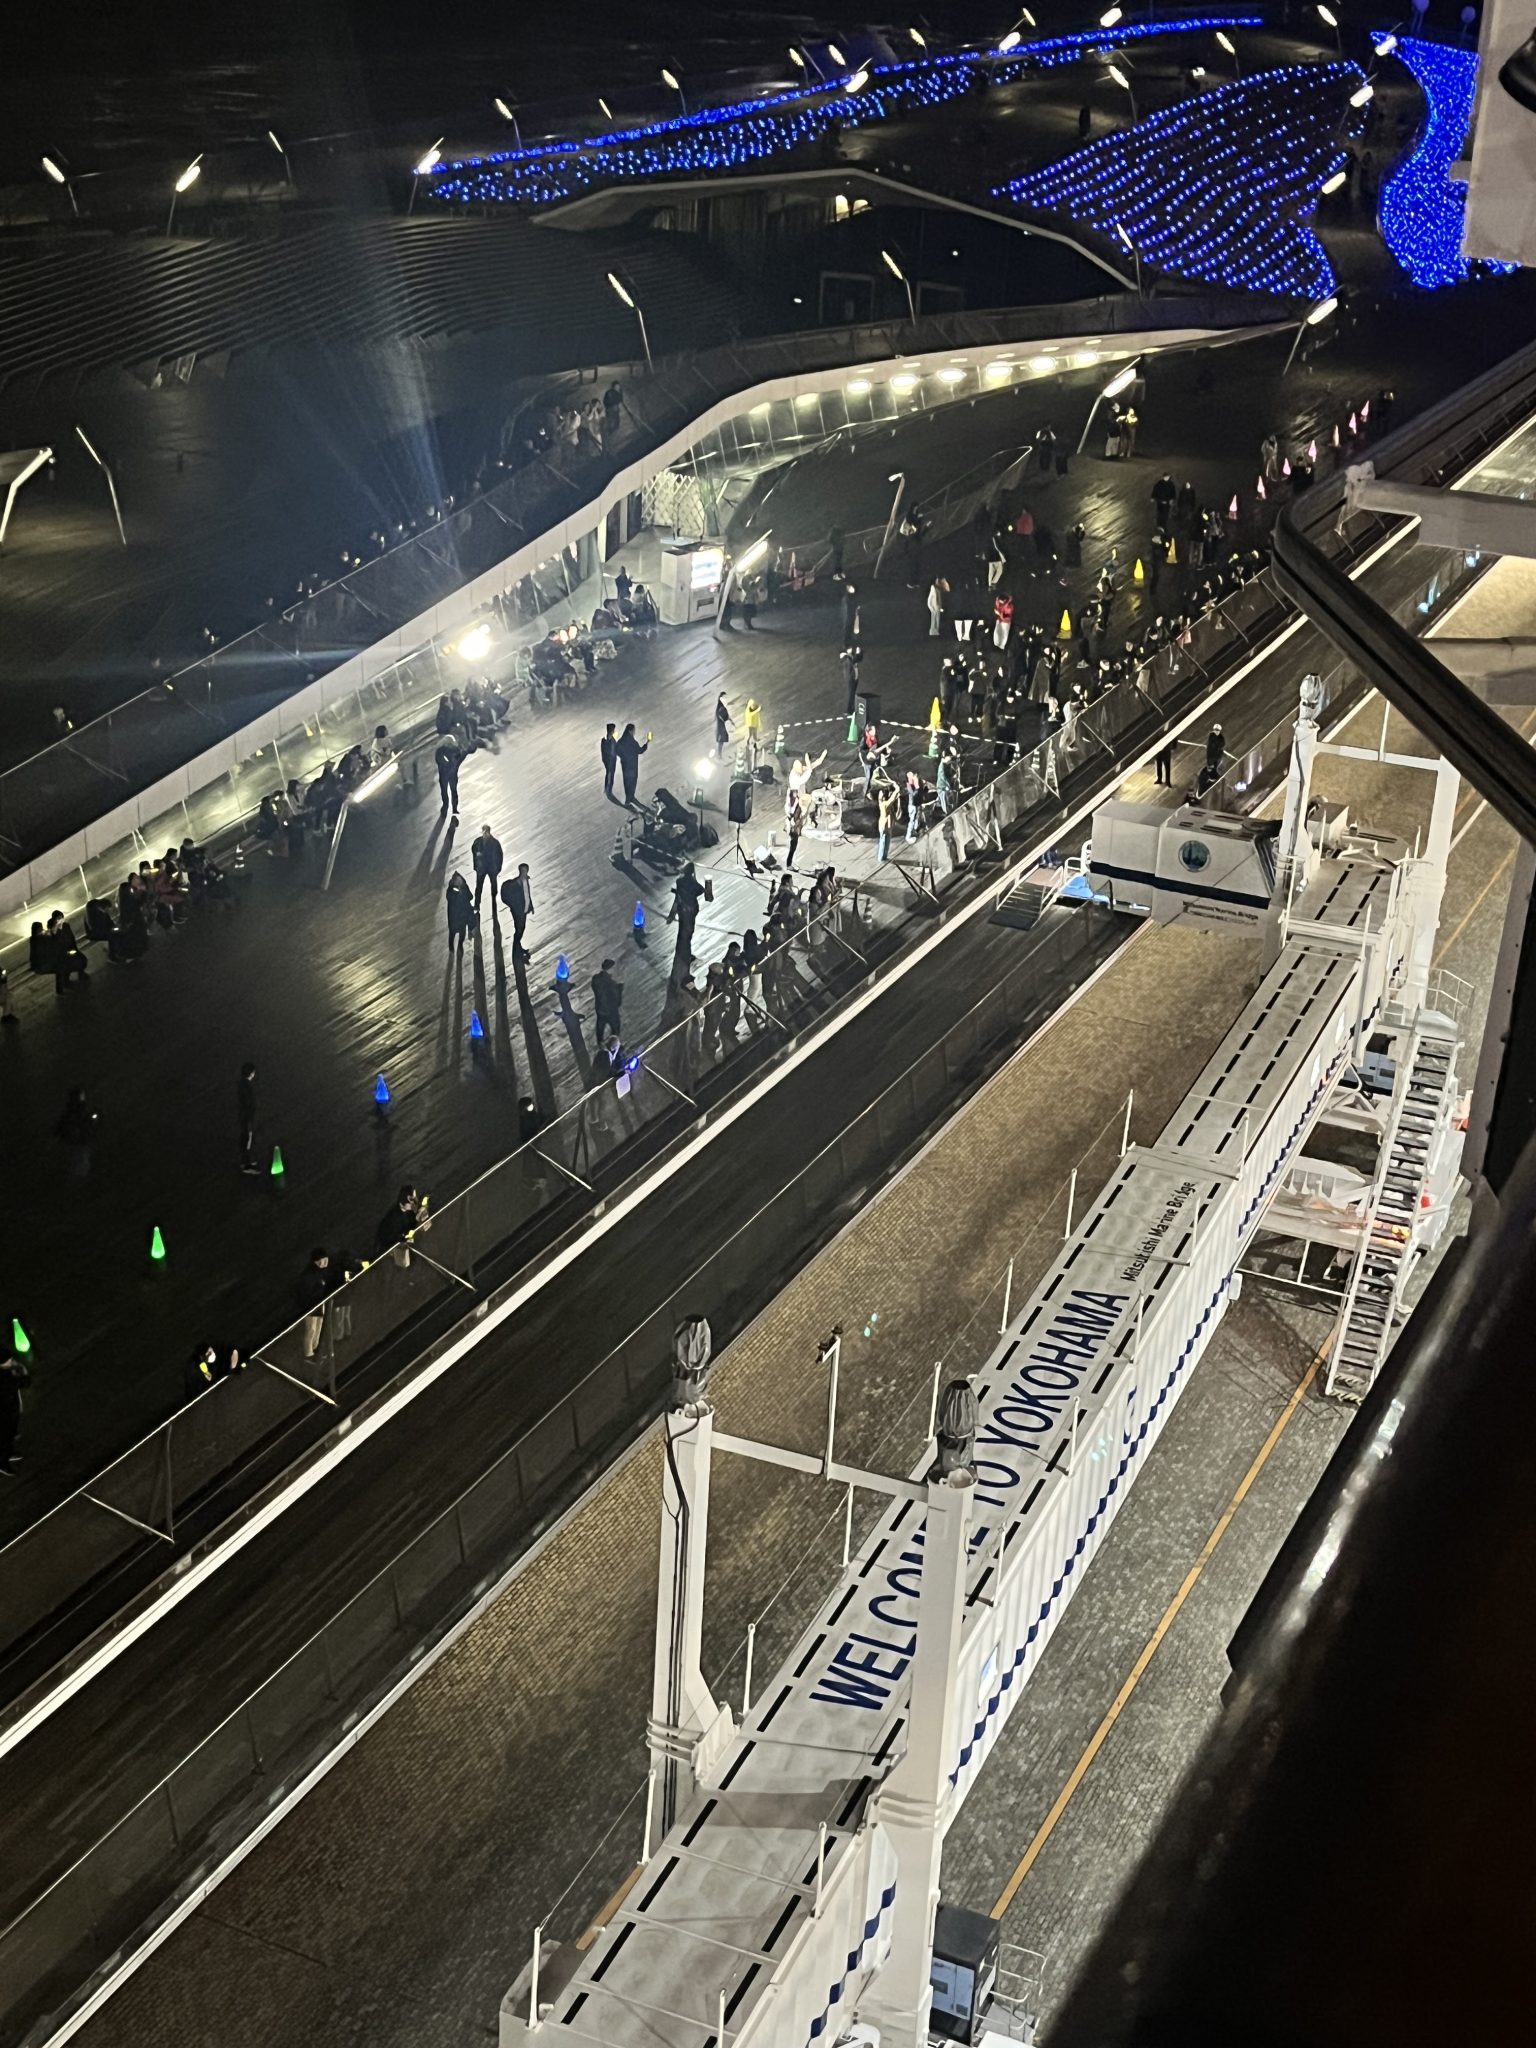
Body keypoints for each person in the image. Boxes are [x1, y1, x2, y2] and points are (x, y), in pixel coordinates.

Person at [296, 1247, 340, 1362]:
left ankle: (315, 1350)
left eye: (326, 1260)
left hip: (319, 1304)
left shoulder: (321, 1272)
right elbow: (306, 1292)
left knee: (318, 1327)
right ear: (316, 1261)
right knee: (311, 1329)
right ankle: (308, 1354)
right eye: (323, 1260)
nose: (326, 1262)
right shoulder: (309, 1275)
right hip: (310, 1306)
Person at [376, 1184, 430, 1269]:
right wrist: (405, 1237)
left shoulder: (408, 1211)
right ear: (403, 1202)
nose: (414, 1204)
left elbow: (412, 1222)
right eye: (411, 1202)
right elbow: (390, 1236)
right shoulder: (394, 1218)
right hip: (390, 1246)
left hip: (402, 1239)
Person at [56, 1085, 98, 1180]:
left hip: (77, 1144)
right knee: (77, 1167)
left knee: (78, 1167)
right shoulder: (75, 1112)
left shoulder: (77, 1111)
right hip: (75, 1144)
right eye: (81, 1096)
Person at [667, 863, 704, 961]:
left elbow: (677, 898)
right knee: (688, 934)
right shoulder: (692, 882)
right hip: (691, 911)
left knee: (682, 932)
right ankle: (686, 954)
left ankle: (680, 953)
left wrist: (672, 914)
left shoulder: (679, 882)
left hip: (682, 911)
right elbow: (701, 890)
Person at [0, 1350, 28, 1475]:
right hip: (6, 1413)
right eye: (9, 1360)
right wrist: (23, 1371)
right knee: (5, 1437)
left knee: (7, 1436)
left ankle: (8, 1454)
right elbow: (25, 1382)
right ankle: (2, 1464)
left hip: (7, 1411)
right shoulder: (6, 1378)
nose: (12, 1361)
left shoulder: (6, 1373)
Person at [500, 861, 534, 960]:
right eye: (523, 871)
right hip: (518, 912)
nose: (524, 872)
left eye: (525, 871)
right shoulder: (514, 884)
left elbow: (527, 894)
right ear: (520, 871)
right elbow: (509, 898)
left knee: (521, 929)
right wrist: (514, 907)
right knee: (519, 930)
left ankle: (518, 948)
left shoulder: (526, 881)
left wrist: (530, 906)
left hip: (524, 911)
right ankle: (516, 951)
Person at [471, 824, 504, 913]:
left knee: (493, 884)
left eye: (486, 832)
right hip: (482, 868)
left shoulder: (495, 843)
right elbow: (474, 851)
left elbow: (500, 855)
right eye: (484, 832)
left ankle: (493, 897)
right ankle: (477, 905)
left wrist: (498, 868)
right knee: (479, 887)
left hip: (491, 867)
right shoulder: (478, 842)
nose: (485, 834)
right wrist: (476, 865)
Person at [615, 722, 648, 805]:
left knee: (626, 781)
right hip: (633, 765)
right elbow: (640, 751)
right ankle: (631, 797)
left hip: (625, 765)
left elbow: (616, 750)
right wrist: (646, 744)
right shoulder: (633, 742)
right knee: (633, 781)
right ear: (630, 731)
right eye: (633, 730)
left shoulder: (620, 741)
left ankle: (628, 798)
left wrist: (623, 756)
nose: (634, 732)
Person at [592, 958, 624, 1041]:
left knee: (600, 1029)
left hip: (600, 1010)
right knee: (615, 1030)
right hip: (611, 1011)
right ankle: (613, 1044)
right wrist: (619, 988)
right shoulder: (612, 984)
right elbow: (618, 1001)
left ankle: (601, 1043)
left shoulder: (596, 979)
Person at [236, 1061, 259, 1174]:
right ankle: (246, 1165)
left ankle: (247, 1162)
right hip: (247, 1117)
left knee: (246, 1138)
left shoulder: (241, 1084)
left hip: (244, 1116)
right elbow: (249, 1103)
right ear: (251, 1073)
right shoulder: (247, 1085)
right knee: (247, 1139)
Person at [435, 734, 464, 818]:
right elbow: (459, 757)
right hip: (451, 774)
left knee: (445, 791)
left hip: (445, 774)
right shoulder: (451, 749)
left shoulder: (440, 750)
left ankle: (446, 807)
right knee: (453, 791)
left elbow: (440, 761)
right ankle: (453, 808)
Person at [446, 870, 475, 950]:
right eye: (457, 881)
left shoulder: (464, 887)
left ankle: (459, 946)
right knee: (452, 934)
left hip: (462, 917)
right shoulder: (451, 891)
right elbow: (449, 898)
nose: (459, 882)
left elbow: (470, 897)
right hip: (454, 917)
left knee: (461, 934)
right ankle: (451, 949)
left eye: (460, 880)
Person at [876, 782, 900, 863]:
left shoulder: (881, 803)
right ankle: (881, 857)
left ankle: (883, 856)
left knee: (885, 841)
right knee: (884, 841)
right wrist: (896, 788)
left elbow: (886, 797)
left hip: (884, 824)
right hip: (885, 825)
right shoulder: (885, 804)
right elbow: (892, 798)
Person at [601, 721, 619, 800]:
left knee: (610, 774)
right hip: (609, 761)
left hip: (612, 760)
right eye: (613, 729)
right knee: (609, 774)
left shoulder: (612, 739)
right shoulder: (606, 740)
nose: (614, 731)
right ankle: (608, 789)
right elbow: (604, 751)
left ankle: (608, 789)